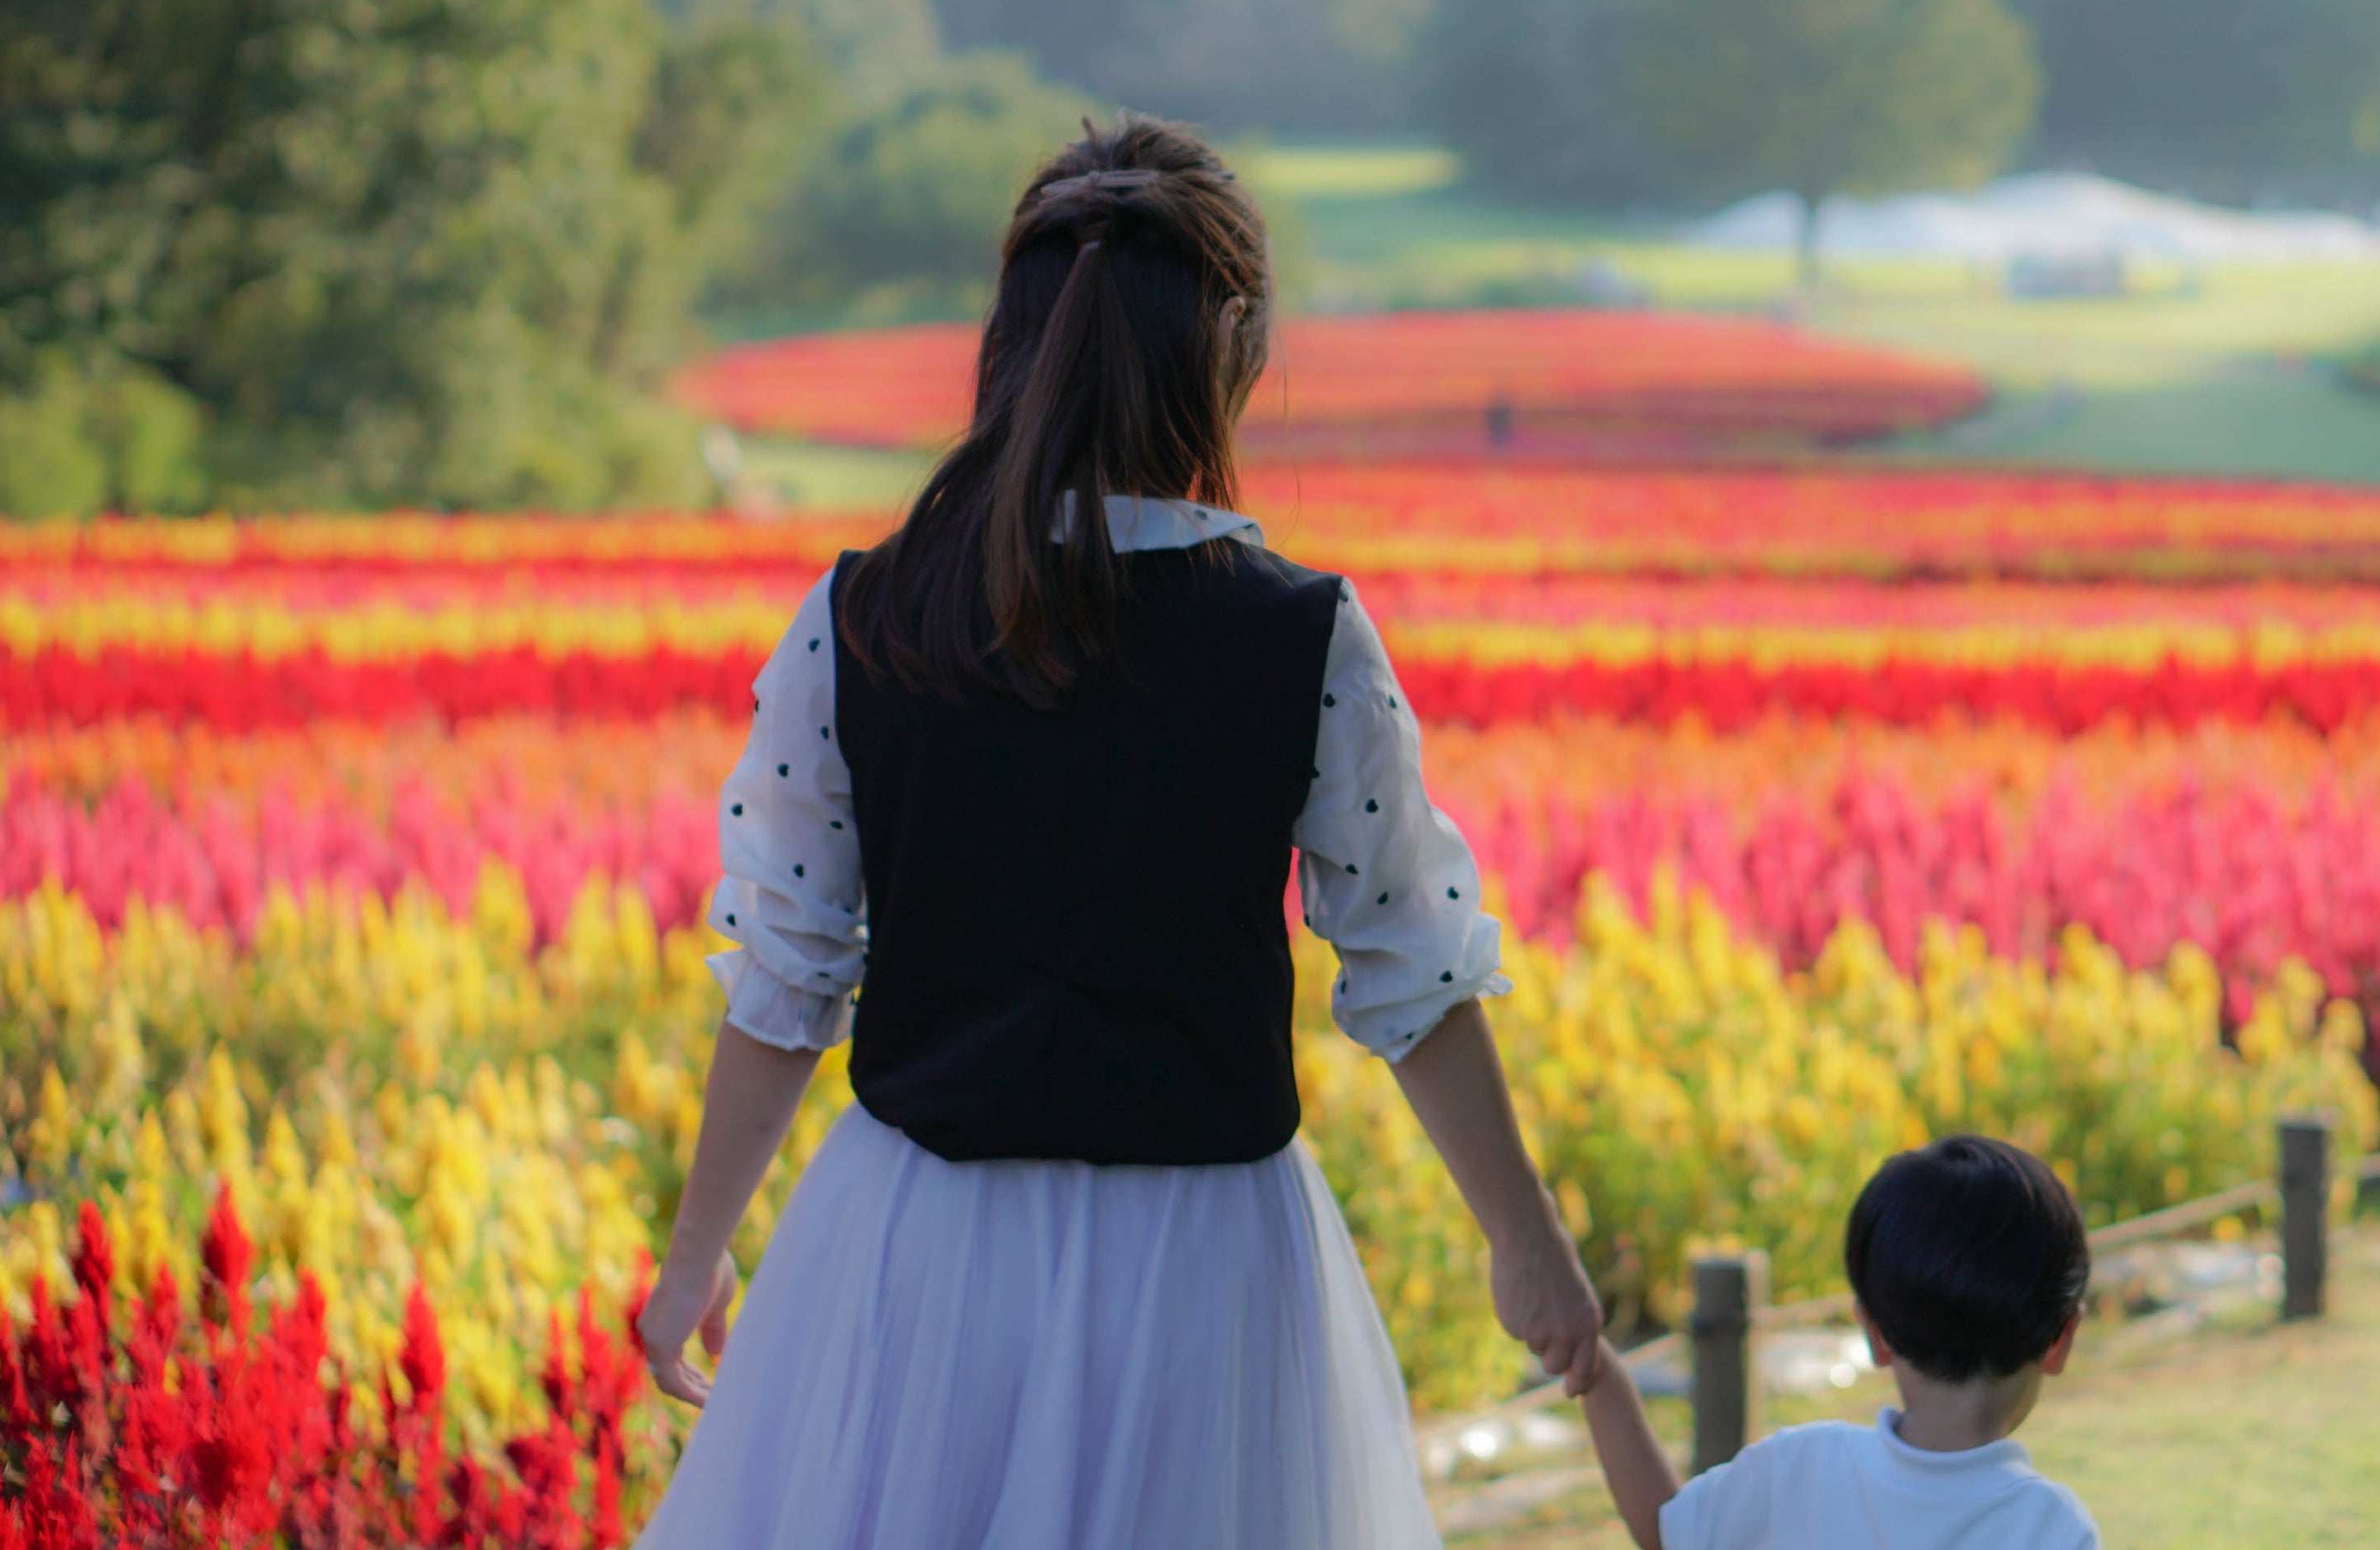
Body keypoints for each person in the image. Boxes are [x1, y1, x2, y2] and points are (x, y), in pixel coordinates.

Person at [631, 116, 1602, 1548]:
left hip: (914, 1251)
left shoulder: (864, 616)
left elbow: (785, 972)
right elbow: (1412, 969)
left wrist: (701, 1248)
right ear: (1238, 355)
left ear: (1010, 344)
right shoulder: (1299, 635)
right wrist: (1529, 1245)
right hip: (1200, 1268)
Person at [1575, 1137, 2100, 1550]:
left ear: (1874, 1333)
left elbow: (1665, 1529)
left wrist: (1596, 1366)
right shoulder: (2052, 1530)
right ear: (2061, 1339)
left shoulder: (1799, 1470)